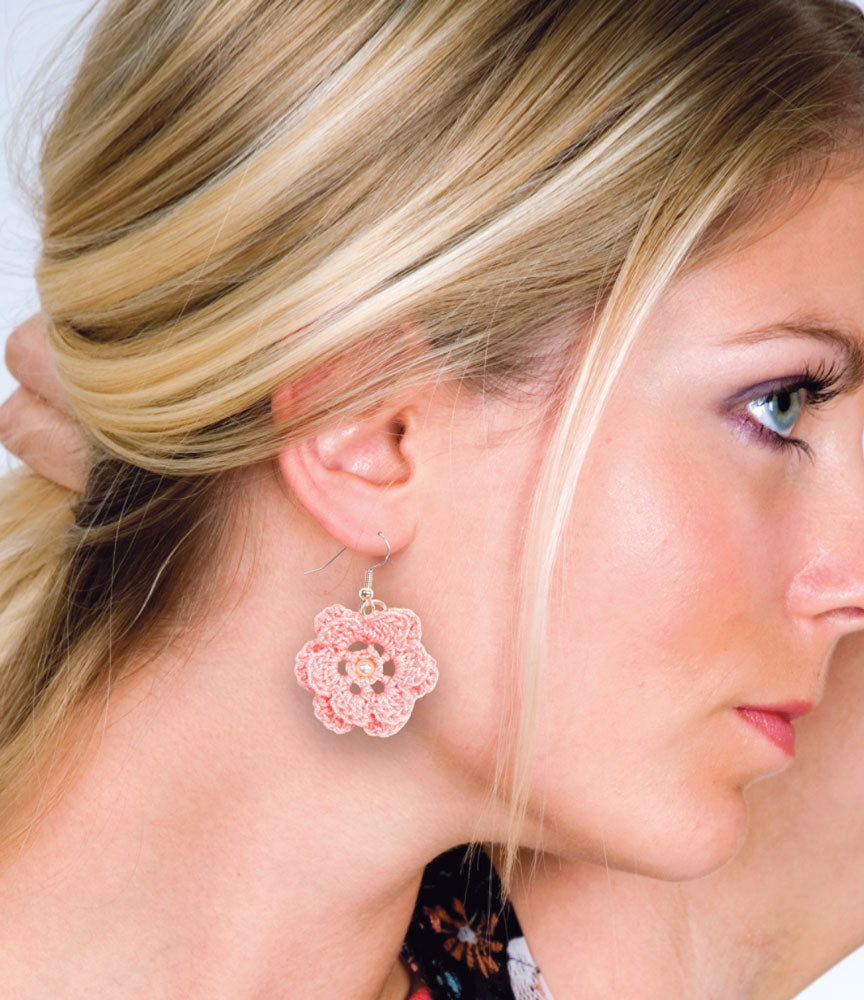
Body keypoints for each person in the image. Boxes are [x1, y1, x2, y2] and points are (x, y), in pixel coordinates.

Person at [2, 2, 864, 998]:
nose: (852, 580)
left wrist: (171, 428)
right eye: (778, 404)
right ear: (370, 429)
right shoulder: (621, 948)